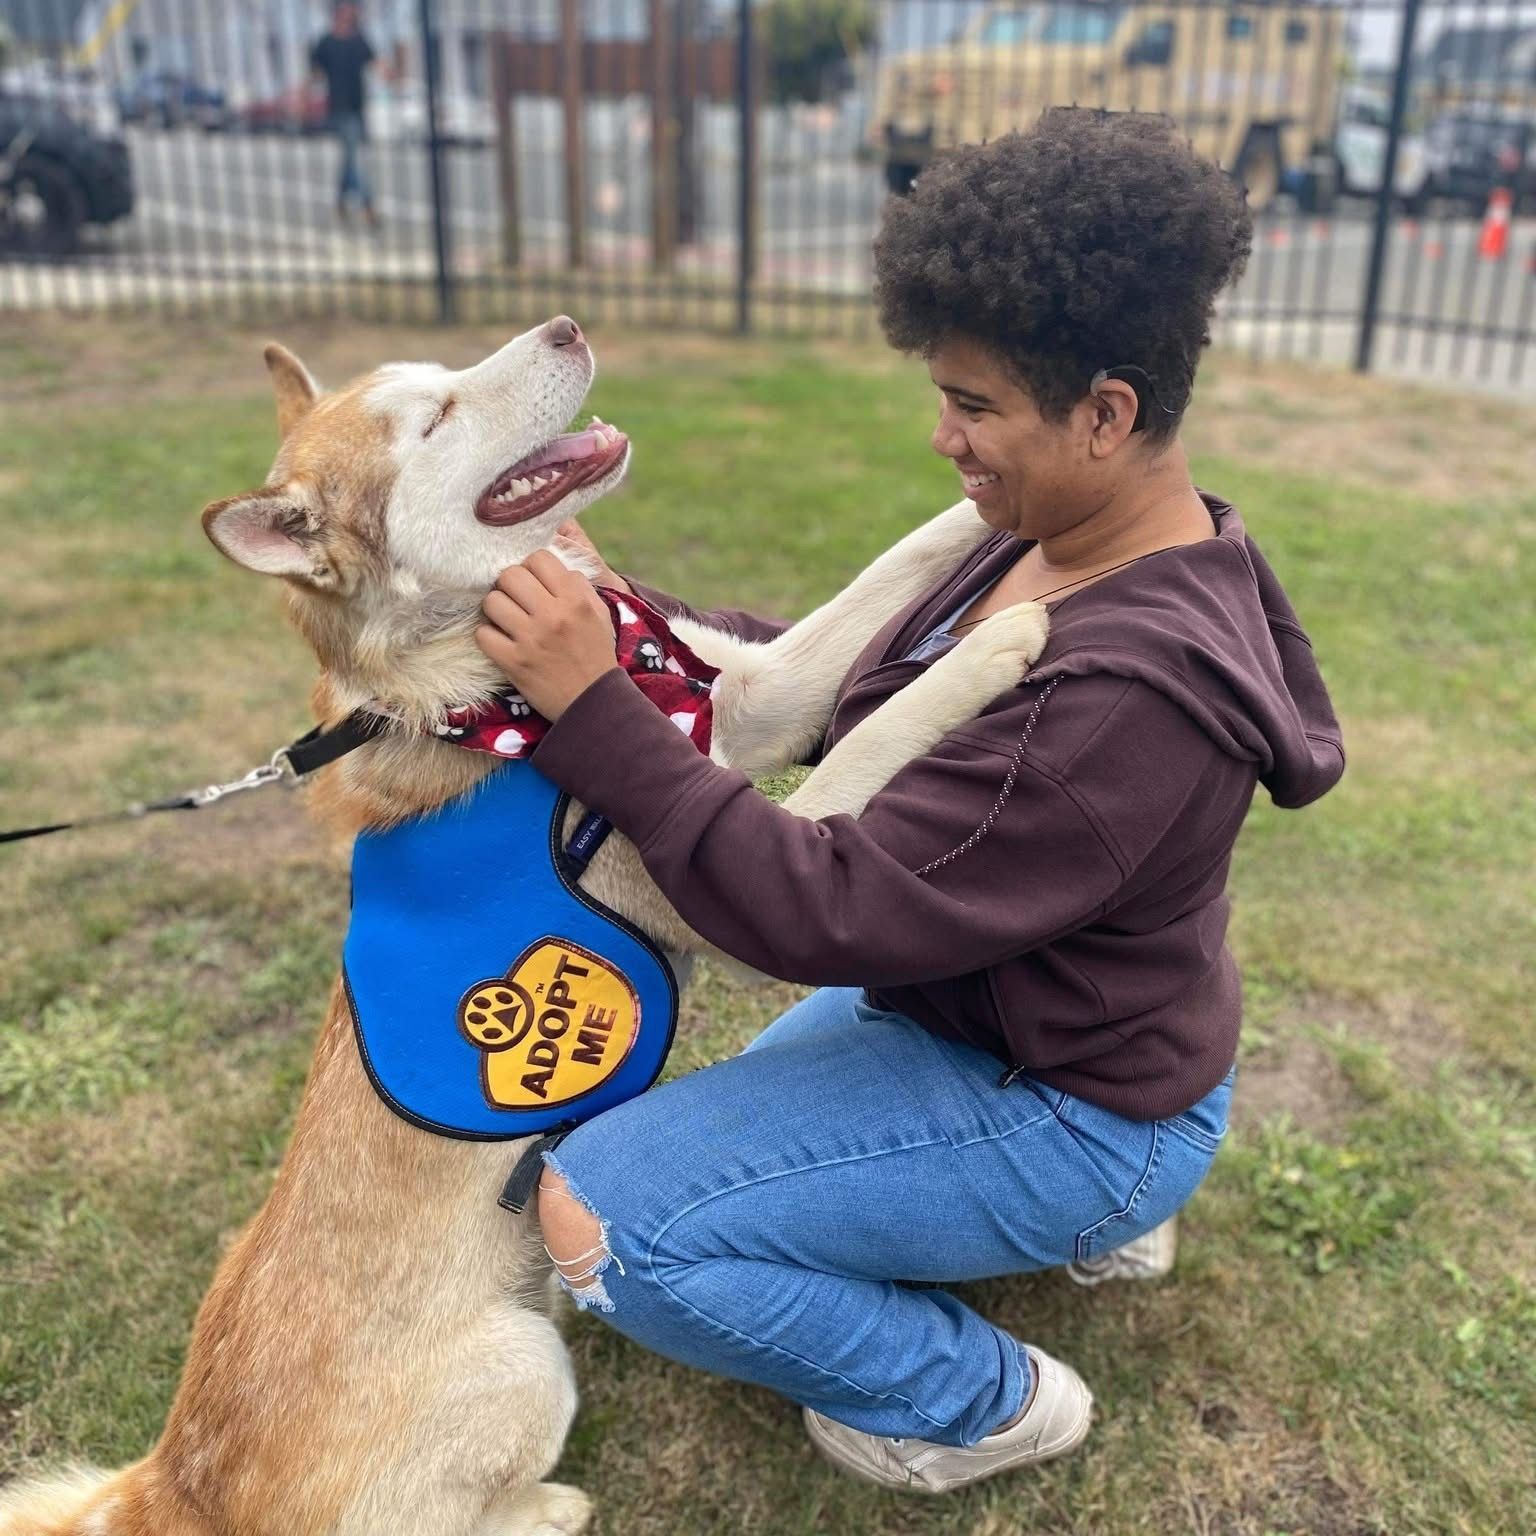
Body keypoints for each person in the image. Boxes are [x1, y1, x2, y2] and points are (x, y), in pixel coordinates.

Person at [474, 110, 1345, 1494]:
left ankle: (984, 1401)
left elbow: (814, 909)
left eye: (977, 405)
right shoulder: (1063, 538)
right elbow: (846, 684)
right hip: (1013, 1018)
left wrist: (596, 710)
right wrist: (624, 620)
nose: (943, 436)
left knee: (607, 1219)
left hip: (1068, 1096)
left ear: (1107, 413)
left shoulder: (1127, 700)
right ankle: (1083, 1220)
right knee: (662, 1148)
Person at [310, 1, 381, 227]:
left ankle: (341, 201)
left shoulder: (358, 39)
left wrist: (393, 73)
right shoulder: (326, 42)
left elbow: (376, 63)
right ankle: (368, 206)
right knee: (354, 158)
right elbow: (315, 73)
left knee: (349, 159)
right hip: (339, 109)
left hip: (358, 107)